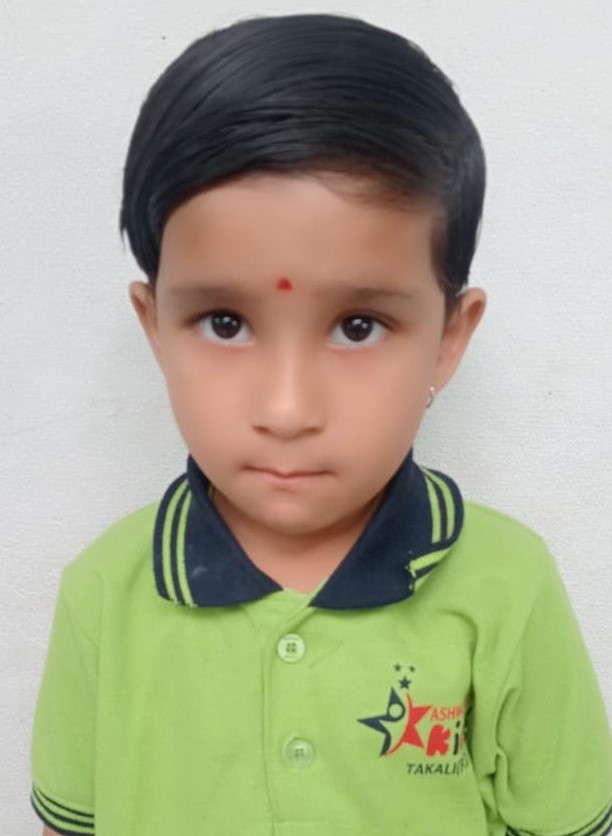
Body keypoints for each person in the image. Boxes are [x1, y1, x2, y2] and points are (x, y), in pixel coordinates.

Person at [30, 12, 612, 836]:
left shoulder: (508, 587)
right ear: (154, 326)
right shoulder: (104, 594)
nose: (287, 410)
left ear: (450, 338)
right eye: (225, 323)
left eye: (359, 326)